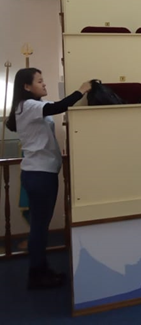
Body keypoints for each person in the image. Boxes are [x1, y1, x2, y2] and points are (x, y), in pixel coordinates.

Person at [6, 68, 91, 289]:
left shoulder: (30, 106)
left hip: (41, 172)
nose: (44, 84)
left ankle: (41, 270)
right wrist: (82, 90)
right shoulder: (29, 105)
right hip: (39, 174)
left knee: (40, 226)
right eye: (40, 81)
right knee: (39, 227)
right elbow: (59, 106)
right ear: (26, 86)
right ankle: (37, 275)